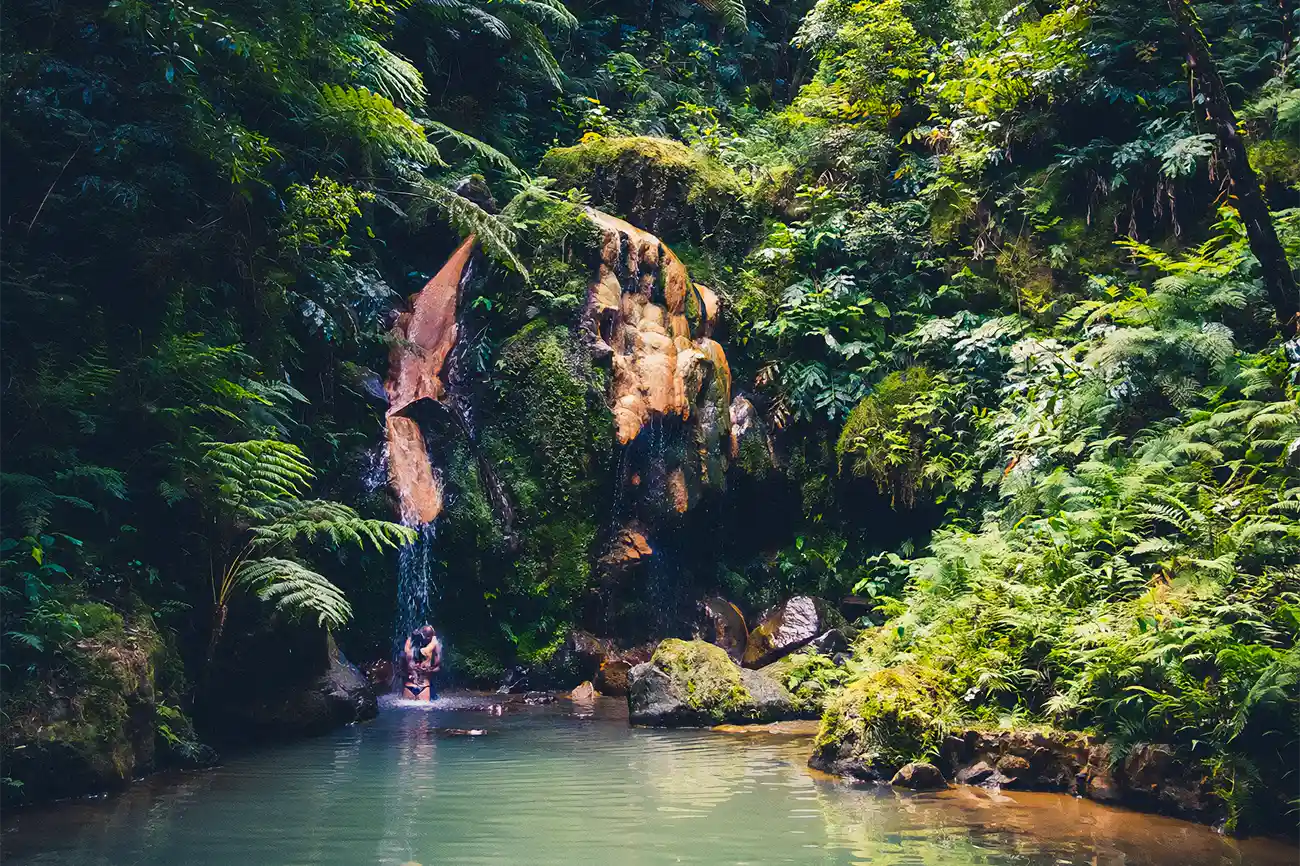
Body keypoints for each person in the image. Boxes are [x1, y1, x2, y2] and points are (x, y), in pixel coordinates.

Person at [401, 624, 441, 701]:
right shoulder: (430, 648)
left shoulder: (408, 650)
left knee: (408, 711)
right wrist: (429, 670)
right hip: (424, 685)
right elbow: (438, 666)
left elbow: (402, 666)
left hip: (410, 685)